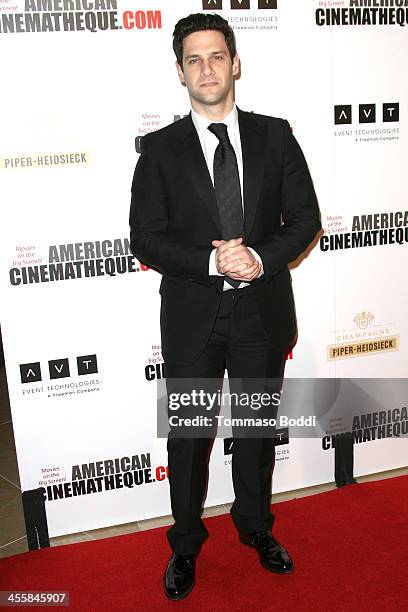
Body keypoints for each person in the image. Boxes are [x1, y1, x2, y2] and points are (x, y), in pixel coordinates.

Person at [129, 12, 321, 601]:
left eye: (217, 56)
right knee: (188, 437)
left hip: (260, 312)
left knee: (257, 431)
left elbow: (305, 221)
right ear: (180, 72)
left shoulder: (276, 134)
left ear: (235, 63)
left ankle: (256, 528)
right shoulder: (159, 149)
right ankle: (185, 545)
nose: (207, 69)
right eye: (194, 59)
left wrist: (258, 258)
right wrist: (213, 263)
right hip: (194, 316)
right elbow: (146, 236)